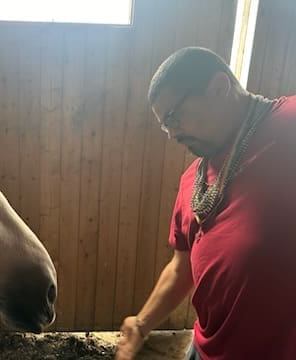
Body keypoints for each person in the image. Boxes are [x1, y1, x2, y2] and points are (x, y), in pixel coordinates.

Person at [116, 47, 296, 359]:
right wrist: (141, 325)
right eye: (164, 124)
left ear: (218, 88)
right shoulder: (192, 180)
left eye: (174, 116)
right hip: (204, 348)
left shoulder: (288, 125)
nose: (171, 133)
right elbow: (181, 267)